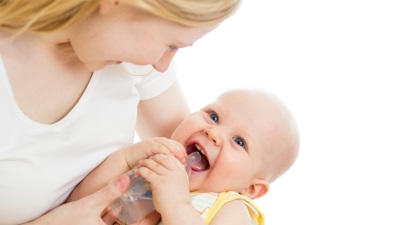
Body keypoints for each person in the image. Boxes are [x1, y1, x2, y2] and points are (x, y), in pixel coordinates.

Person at [0, 0, 242, 224]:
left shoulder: (134, 62)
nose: (162, 65)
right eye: (171, 44)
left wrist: (235, 209)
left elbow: (213, 180)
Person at [69, 88, 300, 225]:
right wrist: (126, 159)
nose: (214, 132)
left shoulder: (230, 208)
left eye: (239, 142)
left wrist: (177, 204)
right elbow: (76, 204)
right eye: (214, 116)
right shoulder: (152, 168)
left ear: (251, 189)